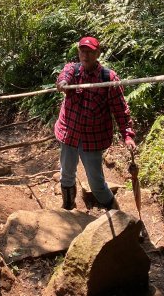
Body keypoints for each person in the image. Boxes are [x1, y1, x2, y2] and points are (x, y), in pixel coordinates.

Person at [55, 36, 136, 211]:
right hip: (69, 133)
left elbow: (120, 110)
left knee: (96, 183)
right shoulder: (72, 71)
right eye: (83, 51)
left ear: (98, 53)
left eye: (90, 52)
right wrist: (62, 83)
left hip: (93, 139)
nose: (86, 55)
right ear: (79, 52)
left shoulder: (108, 78)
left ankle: (118, 215)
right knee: (66, 175)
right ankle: (68, 208)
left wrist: (128, 135)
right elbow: (65, 76)